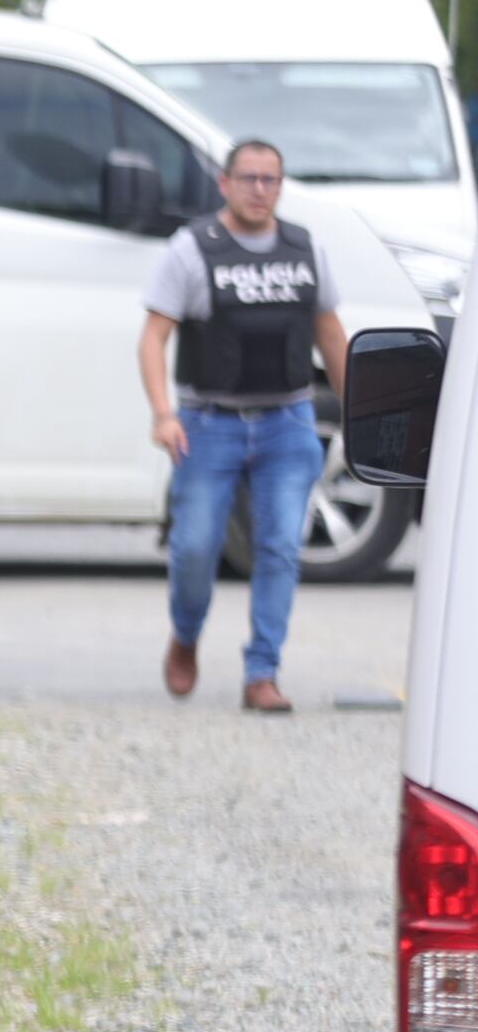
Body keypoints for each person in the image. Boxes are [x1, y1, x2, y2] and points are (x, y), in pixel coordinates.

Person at [144, 137, 347, 713]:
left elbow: (331, 333)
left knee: (280, 546)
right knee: (195, 548)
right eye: (250, 178)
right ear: (225, 184)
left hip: (287, 419)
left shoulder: (304, 249)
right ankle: (185, 636)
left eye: (271, 180)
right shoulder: (193, 250)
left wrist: (364, 410)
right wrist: (164, 415)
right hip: (209, 423)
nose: (261, 190)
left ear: (282, 186)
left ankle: (263, 672)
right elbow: (153, 338)